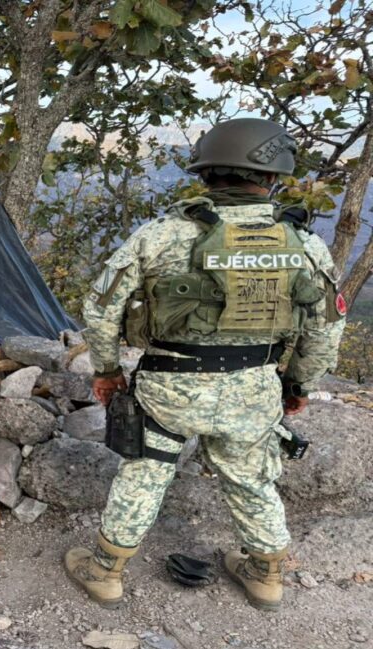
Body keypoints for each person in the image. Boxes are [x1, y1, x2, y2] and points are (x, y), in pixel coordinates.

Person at [64, 118, 347, 612]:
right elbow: (326, 330)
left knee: (144, 474)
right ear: (273, 178)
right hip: (252, 388)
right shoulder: (304, 244)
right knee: (252, 479)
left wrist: (107, 370)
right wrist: (298, 384)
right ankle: (265, 577)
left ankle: (105, 572)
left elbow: (100, 309)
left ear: (206, 172)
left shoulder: (161, 234)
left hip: (168, 388)